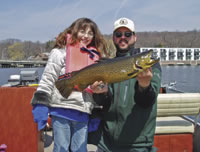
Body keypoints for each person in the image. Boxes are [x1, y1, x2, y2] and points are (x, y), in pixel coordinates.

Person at [31, 17, 108, 152]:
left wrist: (96, 111)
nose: (86, 36)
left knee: (80, 149)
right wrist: (41, 105)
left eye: (90, 33)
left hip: (83, 113)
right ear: (74, 31)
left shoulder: (94, 58)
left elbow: (95, 88)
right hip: (61, 110)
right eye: (82, 31)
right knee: (61, 148)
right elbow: (48, 79)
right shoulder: (59, 53)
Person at [89, 17, 162, 152]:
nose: (123, 37)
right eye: (118, 34)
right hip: (106, 143)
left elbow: (147, 101)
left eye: (127, 34)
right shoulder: (107, 65)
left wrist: (144, 87)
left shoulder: (151, 65)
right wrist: (101, 93)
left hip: (137, 145)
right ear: (114, 38)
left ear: (134, 37)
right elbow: (104, 103)